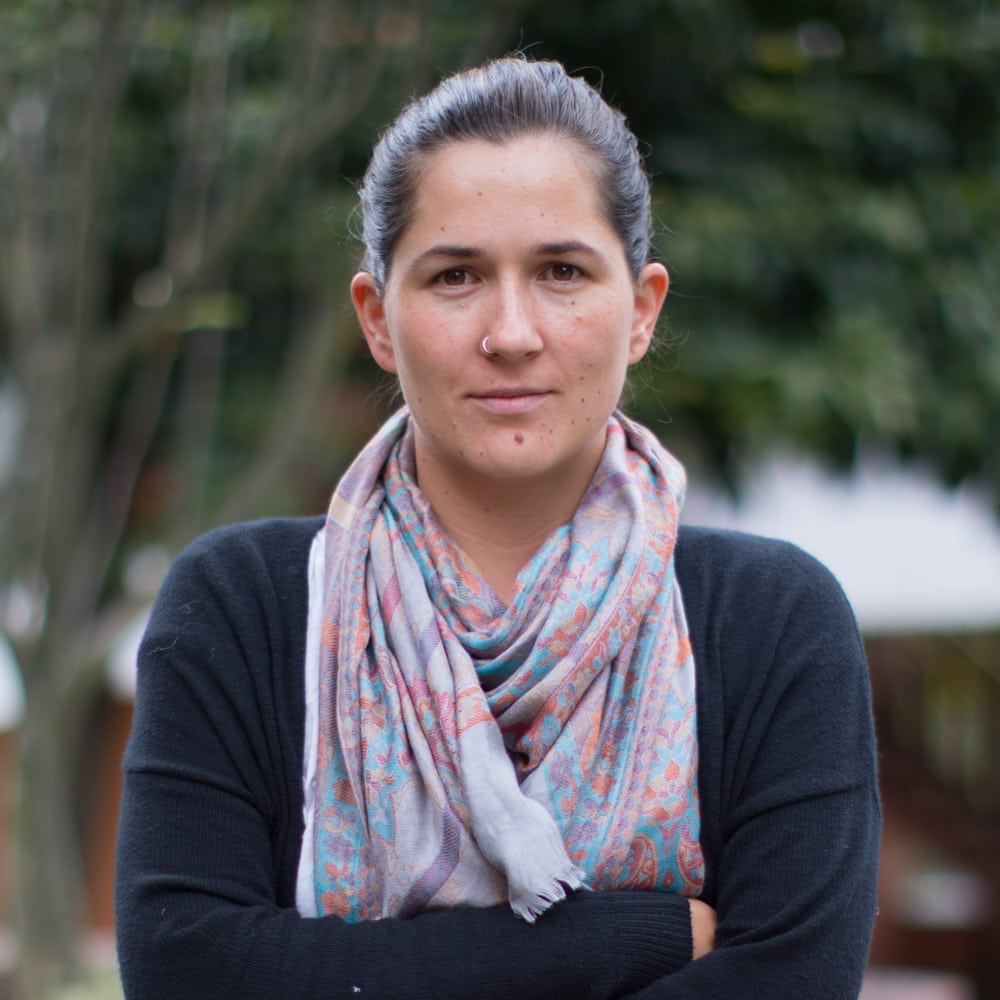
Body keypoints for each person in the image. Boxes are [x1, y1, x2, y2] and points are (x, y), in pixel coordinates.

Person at [115, 57, 880, 999]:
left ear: (641, 311)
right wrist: (628, 937)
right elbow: (187, 971)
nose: (511, 332)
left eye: (562, 271)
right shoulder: (241, 607)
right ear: (378, 320)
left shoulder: (772, 621)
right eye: (455, 275)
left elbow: (794, 982)